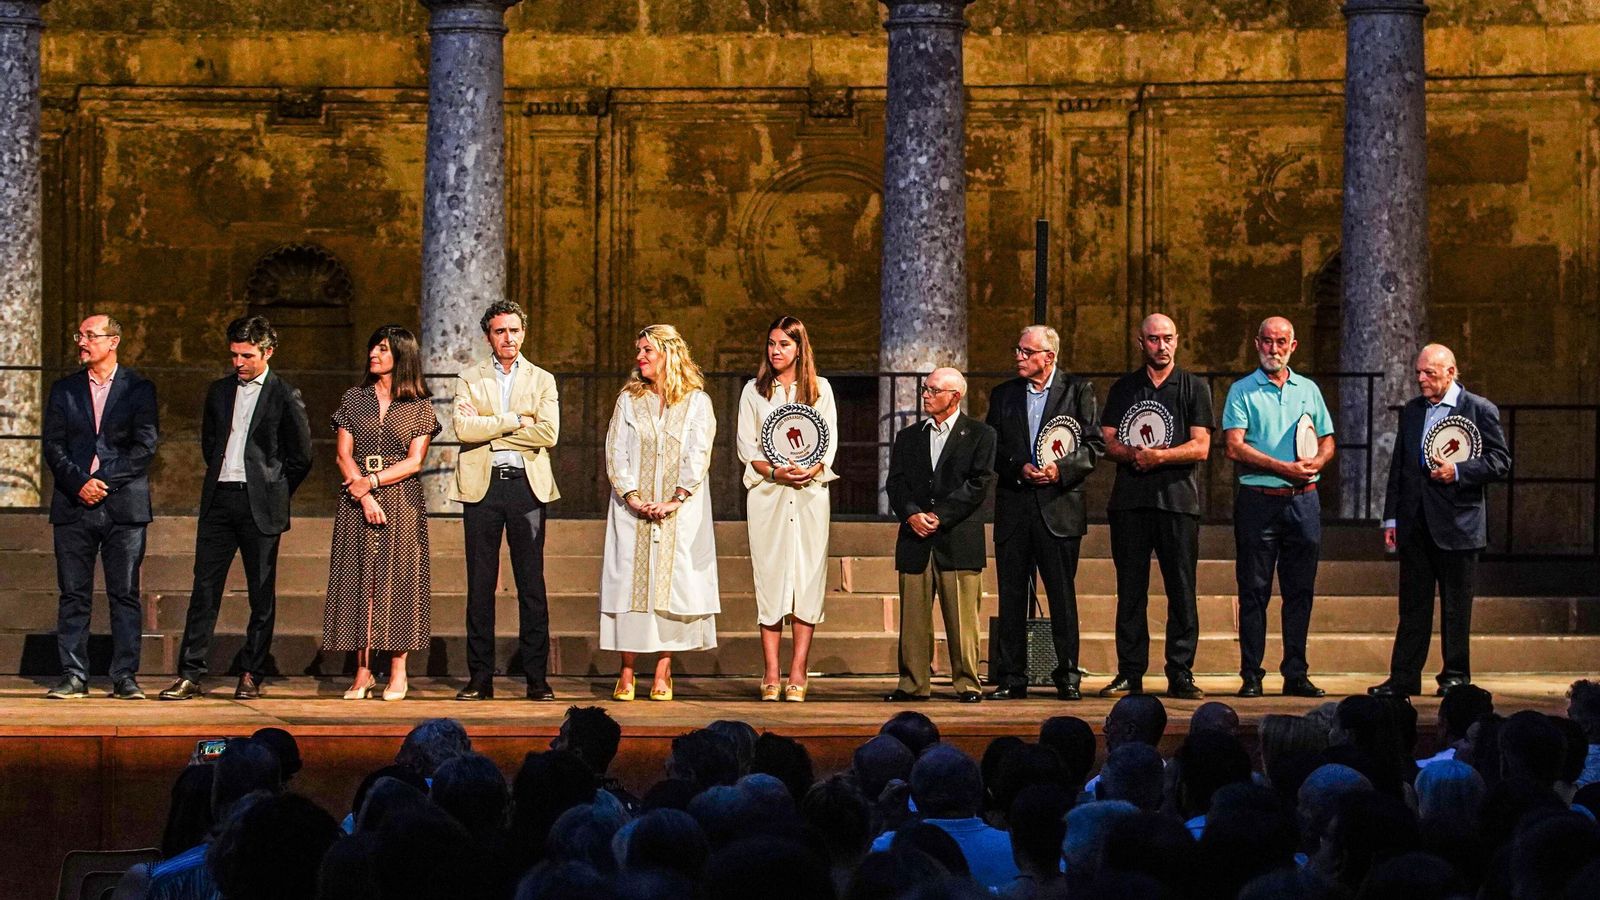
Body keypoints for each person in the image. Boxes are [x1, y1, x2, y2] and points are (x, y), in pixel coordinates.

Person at [161, 316, 312, 701]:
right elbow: (210, 442)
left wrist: (274, 490)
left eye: (247, 355)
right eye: (234, 355)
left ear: (268, 351)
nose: (239, 362)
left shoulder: (284, 394)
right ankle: (190, 672)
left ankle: (251, 673)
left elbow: (301, 457)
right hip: (220, 499)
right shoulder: (219, 392)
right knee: (205, 588)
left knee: (261, 593)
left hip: (260, 503)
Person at [1369, 343, 1510, 698]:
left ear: (1451, 372)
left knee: (1456, 607)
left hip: (1458, 526)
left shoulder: (1478, 410)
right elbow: (1399, 467)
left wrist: (1459, 471)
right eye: (1418, 372)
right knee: (1412, 607)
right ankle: (1403, 678)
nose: (1421, 379)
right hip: (1415, 525)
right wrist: (1391, 519)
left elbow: (1500, 462)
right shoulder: (1413, 411)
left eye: (1429, 373)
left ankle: (1455, 677)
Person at [449, 300, 561, 702]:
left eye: (514, 330)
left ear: (523, 333)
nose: (508, 338)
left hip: (526, 487)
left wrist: (490, 431)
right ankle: (480, 677)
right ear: (488, 336)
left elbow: (548, 434)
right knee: (480, 585)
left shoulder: (542, 379)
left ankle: (537, 678)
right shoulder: (469, 377)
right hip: (483, 485)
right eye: (500, 331)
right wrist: (515, 421)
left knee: (532, 585)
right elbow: (463, 428)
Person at [600, 324, 719, 701]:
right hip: (632, 509)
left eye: (647, 350)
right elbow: (615, 449)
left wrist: (675, 498)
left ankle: (664, 669)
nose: (640, 357)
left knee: (671, 586)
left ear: (669, 353)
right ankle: (628, 669)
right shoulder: (629, 400)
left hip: (678, 510)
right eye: (639, 350)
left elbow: (699, 452)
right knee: (631, 585)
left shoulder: (696, 402)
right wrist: (632, 495)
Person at [43, 313, 159, 700]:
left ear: (113, 342)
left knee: (123, 593)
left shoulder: (139, 389)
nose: (82, 341)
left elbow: (145, 446)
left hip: (123, 506)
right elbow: (53, 446)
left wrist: (103, 482)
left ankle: (124, 676)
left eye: (90, 335)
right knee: (73, 593)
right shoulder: (64, 390)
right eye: (80, 335)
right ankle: (74, 675)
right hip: (74, 503)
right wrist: (80, 483)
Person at [1097, 313, 1213, 700]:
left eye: (1167, 339)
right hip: (1130, 503)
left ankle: (1180, 672)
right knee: (1130, 591)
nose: (1160, 346)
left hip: (1178, 503)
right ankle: (1130, 672)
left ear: (1177, 341)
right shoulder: (1125, 388)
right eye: (1152, 339)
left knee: (1182, 590)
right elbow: (1107, 441)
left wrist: (1159, 459)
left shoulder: (1193, 387)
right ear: (1140, 342)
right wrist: (1134, 454)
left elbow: (1201, 446)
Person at [321, 325, 440, 702]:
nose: (374, 354)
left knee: (398, 581)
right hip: (357, 499)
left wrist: (371, 483)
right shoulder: (354, 399)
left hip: (400, 498)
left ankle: (398, 670)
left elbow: (415, 461)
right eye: (373, 347)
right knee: (360, 582)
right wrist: (363, 492)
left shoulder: (418, 405)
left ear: (402, 357)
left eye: (384, 349)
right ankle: (362, 670)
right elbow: (343, 454)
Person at [985, 325, 1102, 701]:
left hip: (1059, 508)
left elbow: (1093, 446)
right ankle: (1011, 677)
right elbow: (993, 447)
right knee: (1012, 594)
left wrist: (1060, 470)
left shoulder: (1077, 391)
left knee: (1061, 596)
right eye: (1018, 350)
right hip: (1016, 506)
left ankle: (1067, 675)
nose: (1018, 356)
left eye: (1026, 351)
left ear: (1048, 357)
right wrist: (1019, 466)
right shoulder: (1003, 395)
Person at [1221, 316, 1334, 699]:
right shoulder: (1241, 391)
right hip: (1259, 501)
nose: (1274, 349)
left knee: (1300, 591)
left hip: (1304, 502)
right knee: (1253, 591)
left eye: (1281, 342)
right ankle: (1252, 674)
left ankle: (1296, 673)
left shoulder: (1309, 389)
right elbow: (1235, 446)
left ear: (1293, 346)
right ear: (1257, 344)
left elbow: (1328, 439)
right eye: (1267, 342)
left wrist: (1317, 462)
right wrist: (1281, 467)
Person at [734, 315, 838, 702]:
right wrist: (777, 471)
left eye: (785, 345)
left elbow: (827, 444)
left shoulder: (820, 389)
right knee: (771, 577)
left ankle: (798, 670)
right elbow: (748, 448)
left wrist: (809, 469)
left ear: (800, 348)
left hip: (810, 494)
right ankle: (771, 672)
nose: (776, 351)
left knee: (806, 578)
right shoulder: (754, 391)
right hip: (768, 494)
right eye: (772, 344)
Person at [883, 367, 997, 703]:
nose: (926, 395)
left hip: (957, 538)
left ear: (955, 396)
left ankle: (966, 683)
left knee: (962, 618)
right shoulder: (909, 437)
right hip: (915, 538)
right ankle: (913, 683)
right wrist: (912, 514)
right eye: (925, 389)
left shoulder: (980, 434)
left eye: (934, 390)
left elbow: (979, 483)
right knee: (914, 619)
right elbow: (896, 483)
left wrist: (939, 516)